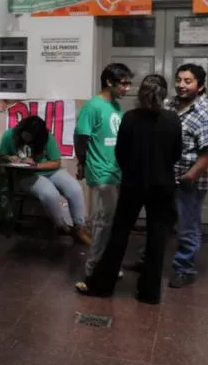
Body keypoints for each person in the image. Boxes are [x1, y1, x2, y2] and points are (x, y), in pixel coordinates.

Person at [77, 75, 182, 304]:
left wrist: (132, 170)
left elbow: (120, 153)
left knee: (120, 234)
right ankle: (149, 293)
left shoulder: (130, 118)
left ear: (141, 94)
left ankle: (102, 286)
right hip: (162, 185)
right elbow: (176, 154)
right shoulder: (173, 120)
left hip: (133, 183)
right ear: (164, 95)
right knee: (157, 238)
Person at [160, 63, 208, 288]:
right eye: (179, 80)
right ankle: (148, 258)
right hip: (166, 177)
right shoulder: (169, 104)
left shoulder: (207, 114)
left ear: (201, 86)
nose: (181, 85)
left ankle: (184, 269)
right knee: (161, 222)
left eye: (188, 81)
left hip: (189, 182)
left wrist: (190, 176)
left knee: (188, 226)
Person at [75, 63, 132, 277]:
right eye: (123, 84)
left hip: (116, 170)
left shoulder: (116, 106)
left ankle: (108, 264)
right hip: (100, 173)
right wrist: (82, 163)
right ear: (109, 82)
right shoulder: (93, 107)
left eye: (128, 84)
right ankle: (94, 269)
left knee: (113, 222)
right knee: (103, 222)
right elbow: (81, 138)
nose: (127, 88)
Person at [0, 116, 89, 244]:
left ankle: (80, 227)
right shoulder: (9, 135)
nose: (27, 139)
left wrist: (36, 165)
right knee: (50, 194)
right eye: (25, 136)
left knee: (74, 188)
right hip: (25, 175)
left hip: (50, 170)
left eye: (31, 138)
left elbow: (56, 162)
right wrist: (9, 158)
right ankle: (61, 226)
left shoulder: (47, 137)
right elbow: (1, 156)